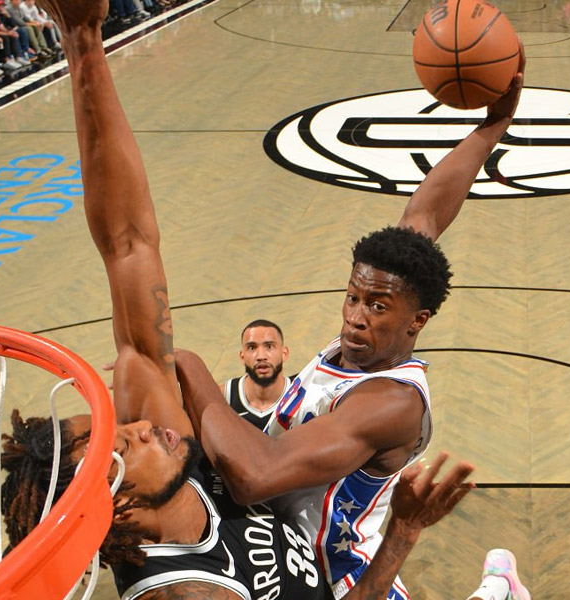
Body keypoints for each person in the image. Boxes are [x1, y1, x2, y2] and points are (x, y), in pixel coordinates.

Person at [0, 0, 492, 598]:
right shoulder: (189, 592)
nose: (138, 428)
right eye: (120, 447)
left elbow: (128, 244)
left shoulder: (170, 458)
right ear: (105, 506)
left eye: (117, 425)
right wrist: (402, 533)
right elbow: (254, 476)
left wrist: (84, 39)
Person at [173, 39, 529, 600]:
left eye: (378, 307)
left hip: (338, 578)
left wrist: (188, 368)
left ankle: (499, 593)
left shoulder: (391, 402)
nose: (356, 318)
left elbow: (255, 476)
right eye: (353, 298)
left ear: (419, 320)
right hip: (275, 549)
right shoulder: (380, 304)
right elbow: (426, 212)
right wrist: (491, 127)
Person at [224, 319, 290, 430]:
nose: (261, 356)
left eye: (269, 346)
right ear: (242, 357)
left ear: (284, 354)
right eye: (252, 348)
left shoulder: (302, 395)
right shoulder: (222, 397)